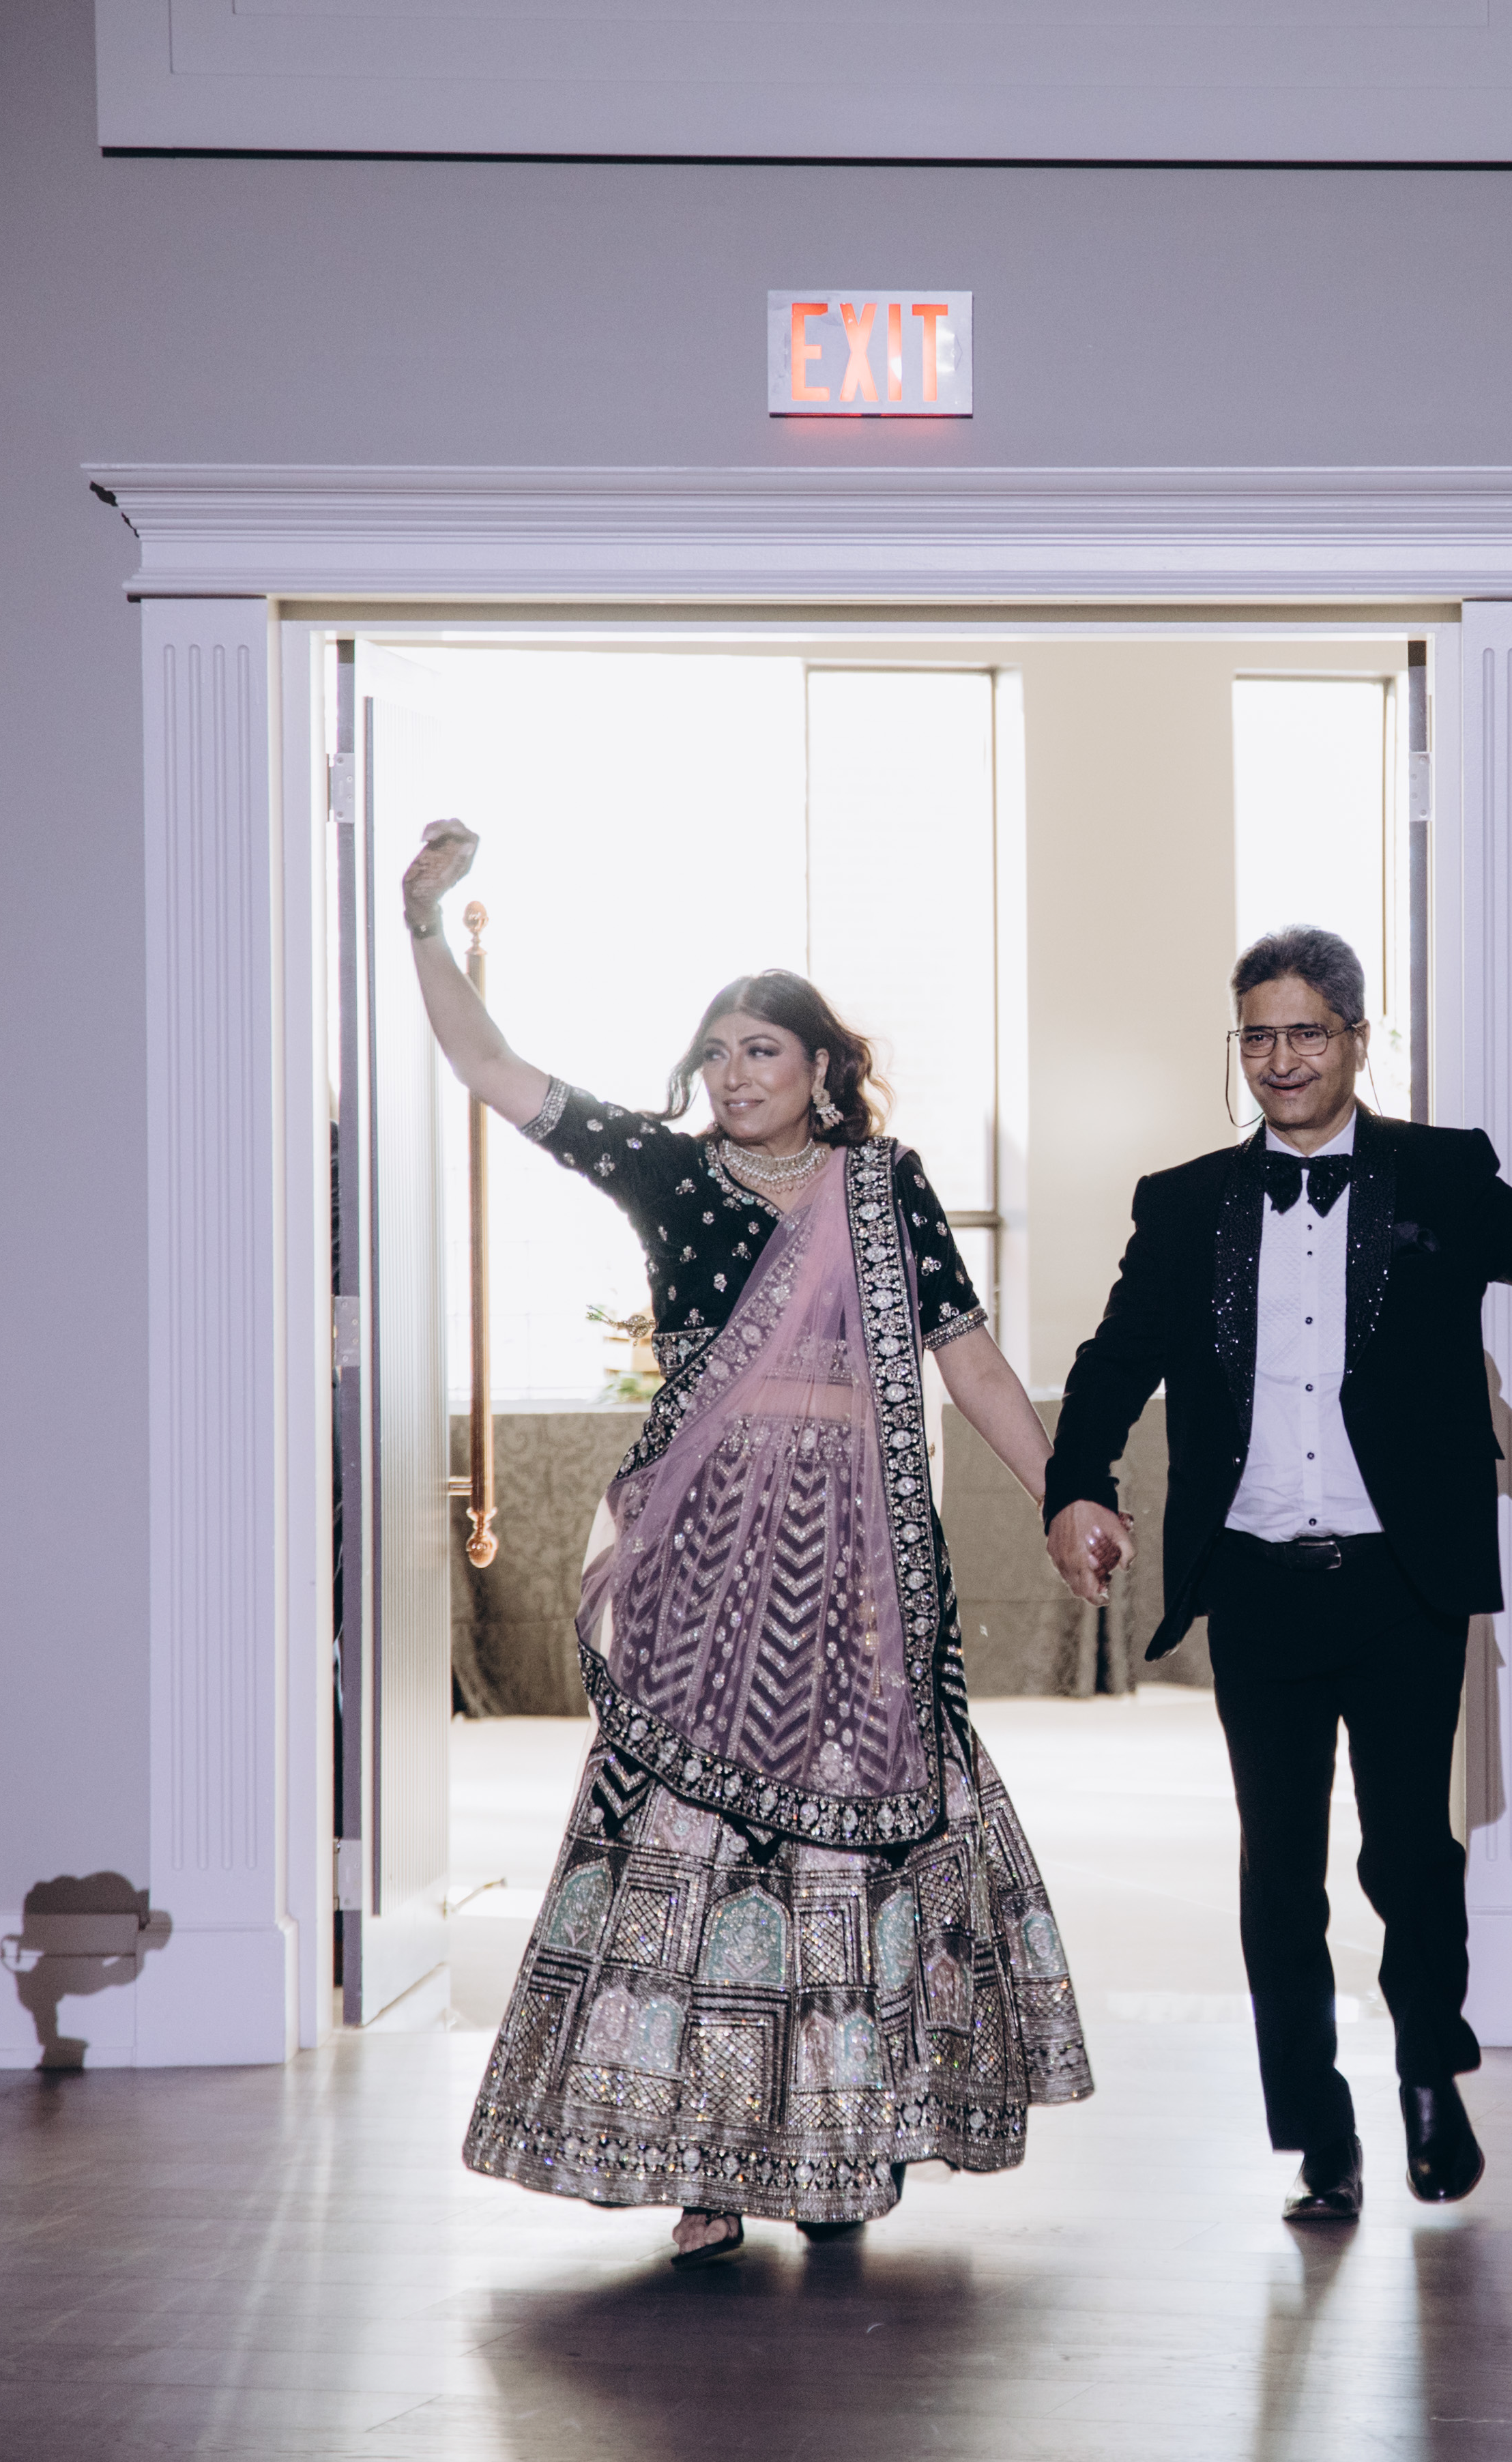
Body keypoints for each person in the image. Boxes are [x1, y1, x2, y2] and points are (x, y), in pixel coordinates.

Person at [398, 819, 1090, 2270]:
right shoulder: (667, 1171)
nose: (733, 1073)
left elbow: (968, 1359)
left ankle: (838, 2141)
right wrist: (420, 925)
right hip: (707, 1559)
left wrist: (1061, 1492)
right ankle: (701, 2163)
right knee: (693, 1844)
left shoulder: (884, 1190)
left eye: (761, 1049)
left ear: (823, 1067)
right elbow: (495, 1071)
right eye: (715, 1052)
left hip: (860, 1571)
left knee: (854, 1839)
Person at [1039, 926, 1512, 2222]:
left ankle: (1429, 2068)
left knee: (1411, 1853)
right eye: (1258, 1035)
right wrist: (1076, 1484)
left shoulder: (1441, 1172)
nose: (1282, 1059)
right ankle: (1318, 2132)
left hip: (1399, 1577)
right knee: (1279, 1870)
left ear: (1358, 1041)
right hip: (1256, 1579)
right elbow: (1113, 1360)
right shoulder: (1186, 1203)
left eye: (1307, 1033)